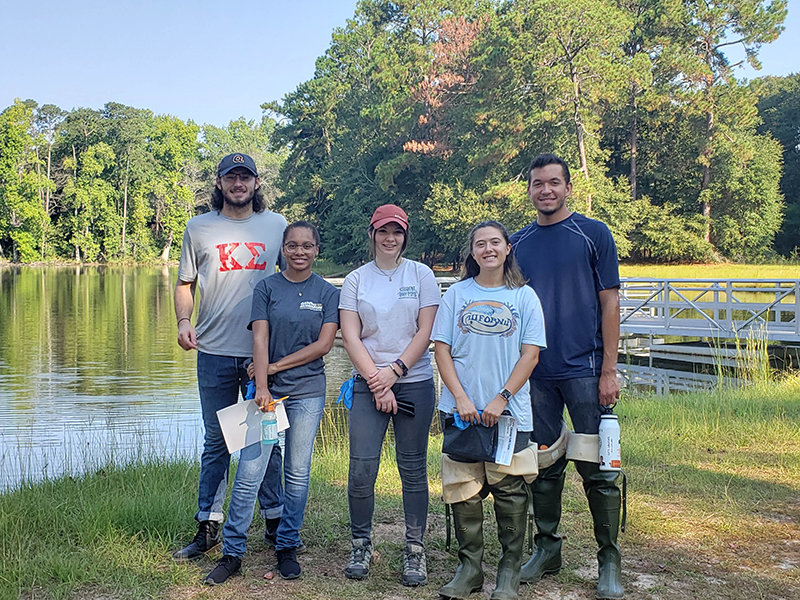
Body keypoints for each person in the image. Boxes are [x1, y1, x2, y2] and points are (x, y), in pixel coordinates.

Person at [510, 153, 623, 599]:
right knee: (543, 463)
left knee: (598, 465)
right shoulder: (517, 242)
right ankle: (548, 546)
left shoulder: (593, 234)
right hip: (535, 372)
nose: (546, 191)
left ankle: (608, 558)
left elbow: (610, 303)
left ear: (568, 187)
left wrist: (609, 369)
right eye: (538, 184)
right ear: (531, 190)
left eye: (554, 183)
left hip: (586, 368)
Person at [204, 221, 340, 584]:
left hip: (308, 390)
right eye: (292, 245)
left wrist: (275, 367)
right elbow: (259, 340)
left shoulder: (327, 293)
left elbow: (323, 346)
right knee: (250, 472)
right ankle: (232, 552)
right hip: (267, 394)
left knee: (297, 472)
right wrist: (262, 384)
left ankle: (287, 545)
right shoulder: (267, 287)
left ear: (316, 250)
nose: (299, 252)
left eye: (307, 246)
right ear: (282, 249)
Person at [173, 153, 287, 561]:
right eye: (230, 177)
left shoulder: (276, 225)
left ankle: (275, 524)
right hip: (215, 351)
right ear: (219, 183)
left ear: (257, 183)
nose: (238, 183)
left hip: (265, 356)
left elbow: (292, 280)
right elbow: (185, 283)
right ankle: (208, 526)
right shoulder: (198, 227)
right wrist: (184, 320)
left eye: (245, 177)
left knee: (266, 439)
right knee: (217, 440)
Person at [432, 221, 546, 600]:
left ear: (508, 248)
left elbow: (530, 354)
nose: (488, 249)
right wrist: (461, 398)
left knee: (510, 487)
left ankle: (510, 571)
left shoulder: (525, 297)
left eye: (495, 242)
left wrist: (501, 397)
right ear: (472, 252)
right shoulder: (456, 294)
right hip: (460, 410)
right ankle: (470, 569)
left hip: (509, 412)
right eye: (480, 244)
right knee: (462, 487)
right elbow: (442, 349)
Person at [338, 204, 440, 586]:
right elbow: (350, 335)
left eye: (397, 232)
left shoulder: (421, 274)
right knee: (362, 469)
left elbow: (425, 331)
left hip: (413, 382)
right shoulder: (356, 280)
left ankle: (415, 549)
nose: (390, 238)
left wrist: (394, 372)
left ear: (405, 236)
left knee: (412, 469)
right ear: (372, 234)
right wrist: (376, 381)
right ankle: (361, 543)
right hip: (367, 383)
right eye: (383, 231)